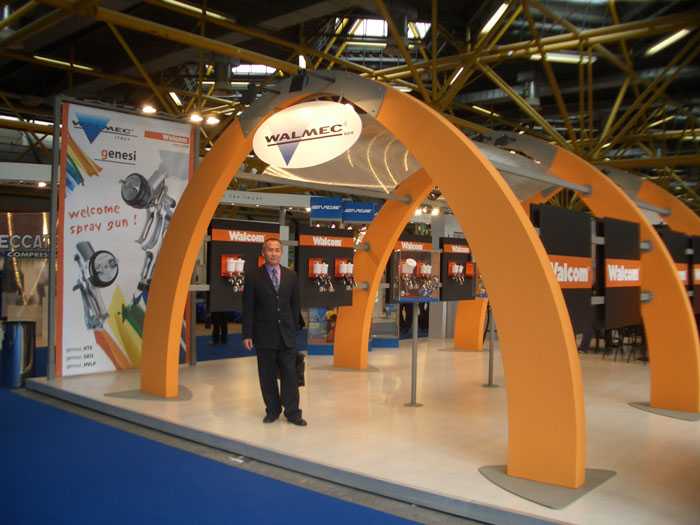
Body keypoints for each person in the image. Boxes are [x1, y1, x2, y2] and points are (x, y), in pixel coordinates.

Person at [242, 238, 306, 426]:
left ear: (281, 253)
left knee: (290, 376)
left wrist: (293, 327)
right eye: (270, 250)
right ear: (263, 252)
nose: (273, 253)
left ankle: (293, 413)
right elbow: (248, 307)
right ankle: (272, 410)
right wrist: (247, 334)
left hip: (287, 335)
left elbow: (295, 305)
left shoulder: (291, 276)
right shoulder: (253, 276)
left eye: (277, 250)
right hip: (264, 335)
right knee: (267, 376)